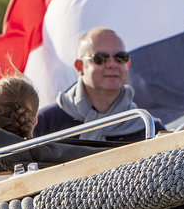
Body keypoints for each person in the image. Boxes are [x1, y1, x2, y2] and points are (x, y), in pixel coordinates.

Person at [31, 27, 164, 142]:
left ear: (127, 64)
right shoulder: (43, 125)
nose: (112, 65)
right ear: (80, 67)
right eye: (100, 58)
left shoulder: (149, 128)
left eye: (120, 57)